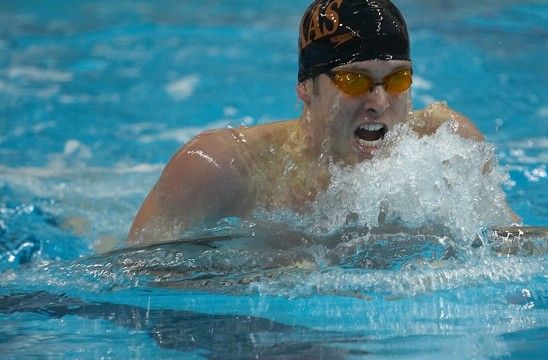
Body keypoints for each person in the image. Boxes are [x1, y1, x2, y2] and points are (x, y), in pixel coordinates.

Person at [128, 0, 517, 245]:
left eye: (397, 79)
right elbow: (135, 281)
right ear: (305, 88)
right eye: (354, 80)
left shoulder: (446, 145)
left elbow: (516, 246)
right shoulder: (225, 169)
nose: (378, 102)